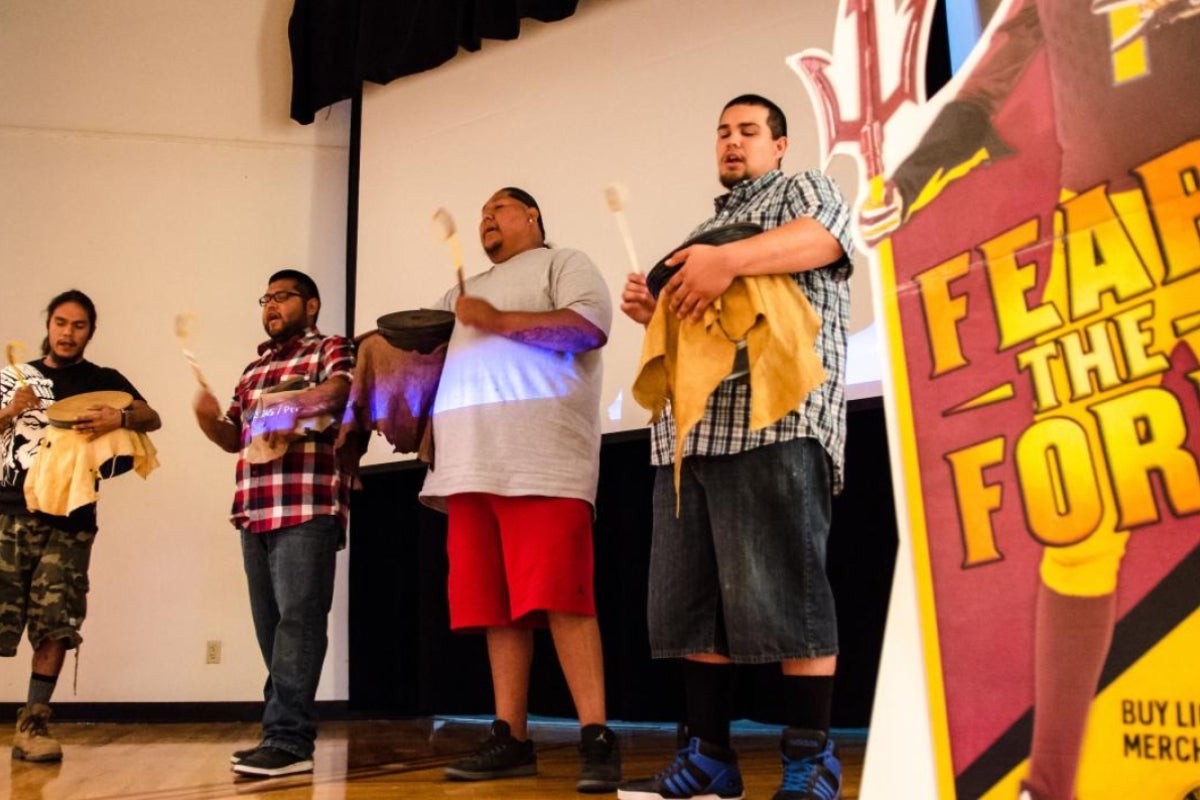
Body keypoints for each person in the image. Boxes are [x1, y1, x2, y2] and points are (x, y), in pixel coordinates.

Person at [859, 4, 1200, 799]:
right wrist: (906, 186)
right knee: (1077, 507)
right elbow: (977, 99)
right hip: (1098, 231)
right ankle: (1047, 789)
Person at [618, 95, 853, 800]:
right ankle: (710, 756)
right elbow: (696, 328)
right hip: (690, 439)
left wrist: (725, 261)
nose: (732, 141)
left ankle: (811, 760)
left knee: (789, 594)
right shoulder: (701, 231)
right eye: (722, 131)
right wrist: (654, 310)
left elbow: (826, 238)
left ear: (779, 144)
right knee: (689, 604)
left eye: (748, 130)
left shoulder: (803, 187)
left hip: (776, 423)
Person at [420, 187, 621, 793]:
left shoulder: (565, 263)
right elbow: (425, 355)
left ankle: (597, 736)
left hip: (543, 460)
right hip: (468, 462)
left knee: (564, 598)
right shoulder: (459, 293)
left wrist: (498, 320)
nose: (485, 218)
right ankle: (511, 738)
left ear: (531, 216)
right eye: (480, 213)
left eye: (498, 208)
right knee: (496, 610)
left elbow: (588, 328)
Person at [192, 269, 354, 779]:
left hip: (305, 504)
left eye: (282, 297)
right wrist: (207, 418)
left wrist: (274, 407)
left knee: (298, 625)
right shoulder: (253, 367)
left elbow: (336, 395)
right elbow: (231, 436)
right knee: (273, 632)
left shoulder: (330, 348)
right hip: (254, 508)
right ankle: (280, 733)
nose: (271, 306)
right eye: (266, 298)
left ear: (311, 305)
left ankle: (288, 739)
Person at [0, 289, 162, 762]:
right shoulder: (14, 378)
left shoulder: (103, 380)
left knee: (57, 622)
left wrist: (121, 415)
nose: (67, 333)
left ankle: (33, 725)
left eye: (78, 326)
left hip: (70, 519)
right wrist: (13, 411)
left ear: (91, 331)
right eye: (60, 323)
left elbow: (151, 418)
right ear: (47, 324)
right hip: (8, 511)